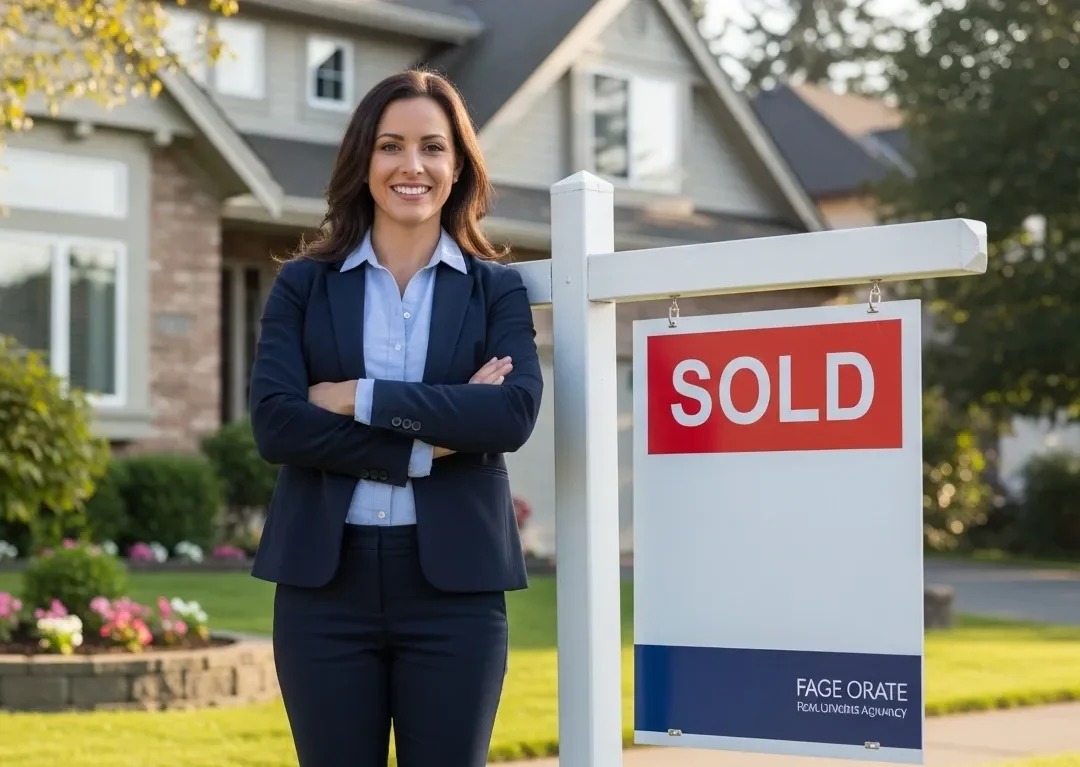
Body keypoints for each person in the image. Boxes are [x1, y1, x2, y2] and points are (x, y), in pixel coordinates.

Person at [247, 68, 544, 767]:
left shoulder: (496, 289)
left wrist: (359, 395)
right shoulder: (303, 284)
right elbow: (278, 424)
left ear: (458, 166)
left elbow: (509, 413)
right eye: (391, 145)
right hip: (324, 588)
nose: (412, 165)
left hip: (456, 595)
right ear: (364, 160)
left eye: (433, 147)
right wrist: (426, 444)